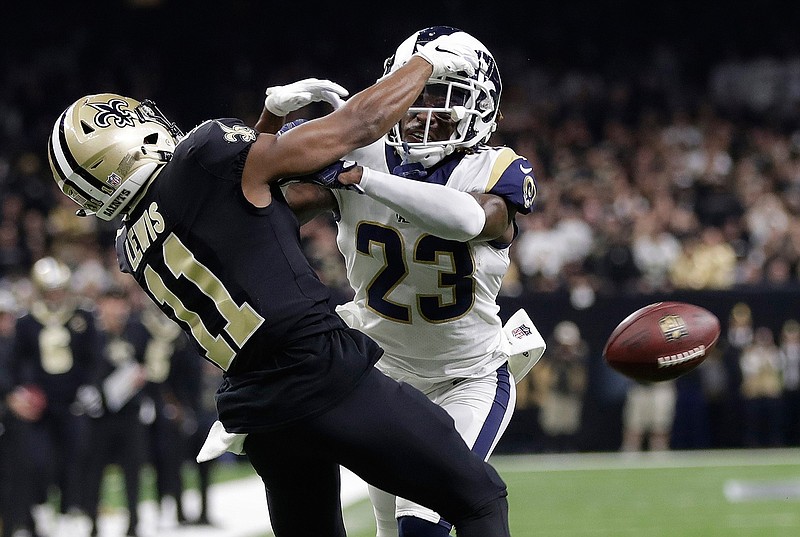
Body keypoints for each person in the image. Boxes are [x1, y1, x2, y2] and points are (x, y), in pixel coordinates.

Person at [48, 34, 513, 537]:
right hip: (323, 374)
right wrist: (429, 57)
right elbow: (359, 124)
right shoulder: (202, 156)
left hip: (259, 412)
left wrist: (267, 123)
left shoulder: (130, 247)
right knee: (478, 500)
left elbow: (246, 209)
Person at [274, 26, 541, 537]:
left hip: (467, 378)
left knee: (423, 522)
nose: (426, 112)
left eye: (446, 98)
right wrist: (294, 139)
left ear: (482, 108)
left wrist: (363, 179)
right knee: (391, 531)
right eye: (419, 95)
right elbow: (274, 209)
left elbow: (470, 220)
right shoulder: (364, 156)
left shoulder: (495, 168)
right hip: (382, 376)